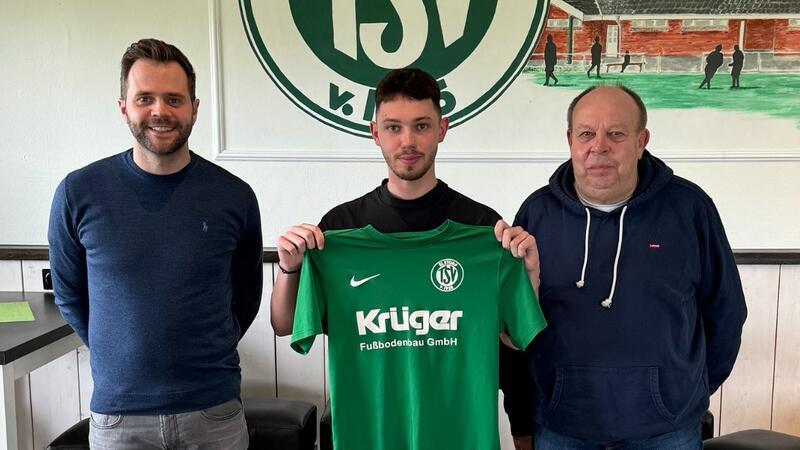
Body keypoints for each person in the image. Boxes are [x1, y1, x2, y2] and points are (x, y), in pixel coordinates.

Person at [270, 67, 540, 448]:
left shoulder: (483, 230)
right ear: (375, 132)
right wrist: (290, 267)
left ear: (442, 130)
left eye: (422, 126)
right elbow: (284, 326)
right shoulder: (339, 231)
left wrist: (530, 274)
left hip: (457, 436)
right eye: (394, 127)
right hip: (371, 436)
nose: (408, 141)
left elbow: (516, 338)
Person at [48, 38, 262, 449]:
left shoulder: (234, 196)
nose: (160, 111)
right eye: (144, 98)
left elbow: (246, 297)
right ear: (123, 106)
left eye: (173, 99)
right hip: (118, 419)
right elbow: (70, 295)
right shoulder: (79, 192)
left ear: (194, 109)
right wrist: (121, 356)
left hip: (214, 413)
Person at [514, 86, 747, 448]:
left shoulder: (690, 209)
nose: (599, 146)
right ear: (570, 141)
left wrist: (685, 392)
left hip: (666, 431)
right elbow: (518, 321)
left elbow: (726, 312)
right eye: (587, 133)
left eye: (616, 134)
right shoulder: (536, 215)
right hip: (562, 427)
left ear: (641, 142)